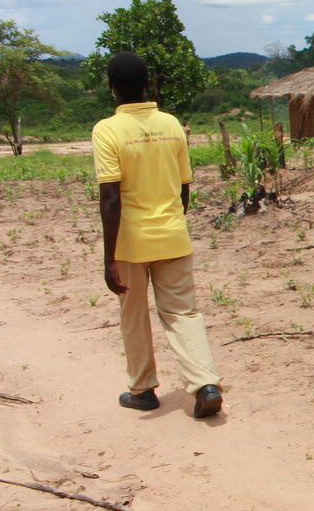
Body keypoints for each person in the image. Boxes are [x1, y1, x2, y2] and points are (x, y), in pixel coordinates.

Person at [94, 52, 223, 419]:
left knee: (133, 314)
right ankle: (205, 384)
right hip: (173, 235)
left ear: (112, 87)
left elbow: (111, 198)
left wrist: (108, 259)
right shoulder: (171, 124)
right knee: (183, 312)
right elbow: (184, 189)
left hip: (131, 242)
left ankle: (143, 390)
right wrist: (171, 221)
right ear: (148, 84)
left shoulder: (107, 130)